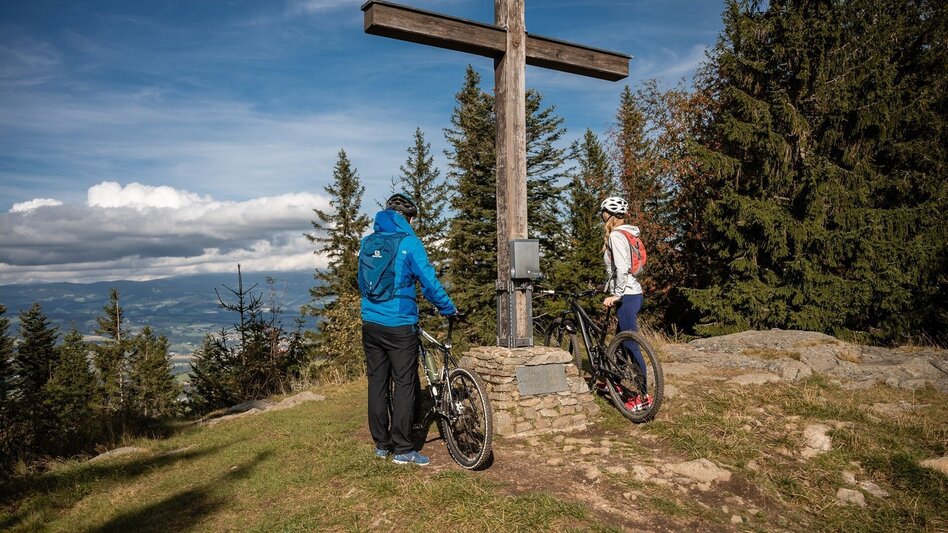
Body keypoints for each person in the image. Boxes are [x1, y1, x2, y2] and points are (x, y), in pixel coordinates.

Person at [360, 192, 457, 466]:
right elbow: (429, 282)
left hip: (370, 324)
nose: (413, 223)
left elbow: (362, 283)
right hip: (399, 324)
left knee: (377, 382)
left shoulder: (367, 243)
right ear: (406, 218)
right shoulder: (409, 243)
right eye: (412, 219)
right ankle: (403, 449)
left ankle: (382, 444)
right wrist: (448, 308)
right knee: (404, 383)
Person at [600, 196, 650, 412]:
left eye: (602, 212)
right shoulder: (629, 234)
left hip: (627, 295)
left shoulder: (616, 237)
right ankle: (614, 382)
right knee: (619, 344)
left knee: (630, 344)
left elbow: (621, 268)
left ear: (607, 214)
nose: (601, 216)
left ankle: (644, 396)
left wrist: (617, 294)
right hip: (633, 293)